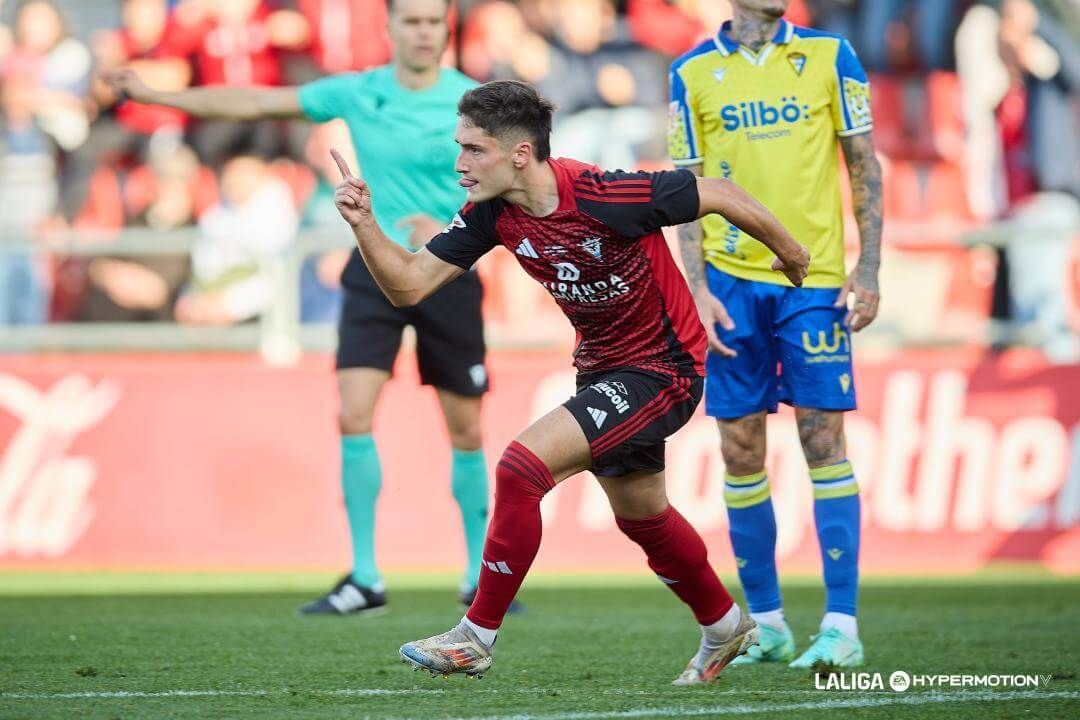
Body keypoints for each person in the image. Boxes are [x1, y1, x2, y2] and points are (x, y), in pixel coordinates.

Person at [328, 79, 811, 682]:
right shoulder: (491, 216)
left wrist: (791, 254)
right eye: (460, 148)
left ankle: (475, 636)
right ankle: (723, 624)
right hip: (602, 372)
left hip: (664, 368)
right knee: (643, 516)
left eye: (474, 150)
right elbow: (409, 285)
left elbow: (715, 191)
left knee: (520, 468)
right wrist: (363, 223)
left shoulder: (605, 194)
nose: (460, 165)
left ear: (520, 154)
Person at [102, 0, 494, 615]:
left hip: (447, 270)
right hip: (373, 264)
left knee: (466, 428)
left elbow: (516, 177)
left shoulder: (476, 101)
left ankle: (479, 576)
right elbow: (256, 101)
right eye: (411, 21)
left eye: (433, 21)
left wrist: (456, 223)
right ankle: (366, 577)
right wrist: (160, 97)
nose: (424, 32)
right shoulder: (359, 92)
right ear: (388, 28)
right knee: (353, 413)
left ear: (446, 28)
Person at [669, 0, 883, 668]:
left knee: (823, 438)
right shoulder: (691, 72)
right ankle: (766, 623)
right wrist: (697, 288)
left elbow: (863, 163)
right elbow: (686, 187)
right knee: (738, 446)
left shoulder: (829, 54)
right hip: (731, 282)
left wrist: (868, 264)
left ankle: (842, 625)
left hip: (812, 281)